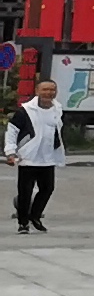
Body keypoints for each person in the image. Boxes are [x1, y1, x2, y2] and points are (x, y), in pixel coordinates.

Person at [10, 74, 61, 230]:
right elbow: (12, 131)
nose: (49, 93)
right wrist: (10, 151)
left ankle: (35, 216)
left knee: (47, 189)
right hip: (28, 157)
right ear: (37, 91)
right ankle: (23, 222)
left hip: (47, 158)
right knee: (25, 191)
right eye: (45, 89)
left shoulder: (57, 109)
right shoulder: (25, 111)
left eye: (52, 90)